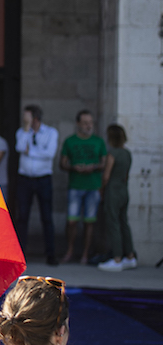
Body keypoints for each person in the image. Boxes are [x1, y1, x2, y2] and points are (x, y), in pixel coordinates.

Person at [60, 110, 106, 265]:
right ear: (78, 123)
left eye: (91, 123)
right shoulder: (70, 141)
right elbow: (62, 163)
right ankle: (70, 251)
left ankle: (85, 254)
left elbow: (104, 163)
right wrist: (74, 168)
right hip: (75, 186)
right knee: (71, 221)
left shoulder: (99, 142)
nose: (89, 126)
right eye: (85, 123)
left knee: (89, 222)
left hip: (93, 186)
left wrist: (93, 167)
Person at [14, 104, 59, 264]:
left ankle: (51, 254)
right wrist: (27, 130)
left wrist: (31, 152)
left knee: (46, 217)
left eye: (27, 116)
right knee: (22, 216)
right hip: (25, 179)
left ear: (35, 118)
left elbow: (50, 154)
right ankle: (21, 254)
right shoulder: (22, 132)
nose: (24, 119)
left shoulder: (51, 132)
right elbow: (20, 147)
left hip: (43, 178)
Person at [98, 124, 137, 271]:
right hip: (123, 190)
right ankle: (130, 256)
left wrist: (102, 190)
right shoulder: (127, 153)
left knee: (113, 223)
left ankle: (117, 258)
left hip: (113, 191)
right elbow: (126, 175)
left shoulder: (112, 154)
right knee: (123, 222)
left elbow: (106, 176)